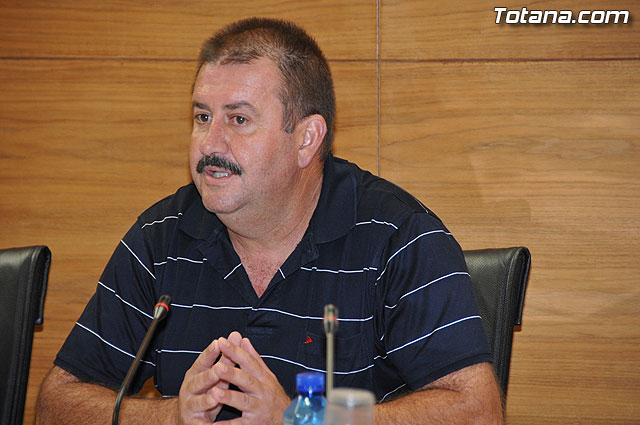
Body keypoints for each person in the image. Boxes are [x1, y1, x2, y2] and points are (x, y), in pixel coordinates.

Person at [36, 17, 503, 425]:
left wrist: (302, 418)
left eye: (238, 120)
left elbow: (477, 412)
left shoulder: (398, 237)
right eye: (202, 117)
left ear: (306, 139)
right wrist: (171, 416)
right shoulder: (161, 238)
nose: (209, 144)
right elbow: (56, 405)